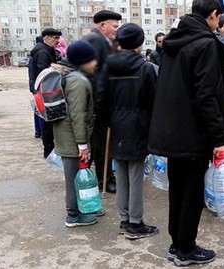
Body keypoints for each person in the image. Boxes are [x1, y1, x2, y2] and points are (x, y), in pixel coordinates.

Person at [148, 0, 224, 266]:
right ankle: (186, 249)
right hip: (194, 133)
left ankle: (177, 244)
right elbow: (207, 95)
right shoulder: (206, 44)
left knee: (178, 190)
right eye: (218, 17)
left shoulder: (175, 42)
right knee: (192, 193)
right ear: (213, 14)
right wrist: (220, 139)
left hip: (173, 131)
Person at [98, 23, 159, 240]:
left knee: (121, 174)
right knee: (135, 176)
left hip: (115, 127)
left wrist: (107, 122)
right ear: (140, 44)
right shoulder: (145, 68)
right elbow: (154, 102)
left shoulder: (107, 66)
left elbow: (101, 99)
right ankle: (135, 223)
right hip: (138, 126)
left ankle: (125, 219)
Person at [52, 40, 99, 227]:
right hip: (72, 138)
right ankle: (73, 214)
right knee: (73, 177)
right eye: (91, 59)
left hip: (65, 135)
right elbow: (78, 115)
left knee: (74, 174)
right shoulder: (77, 81)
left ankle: (81, 208)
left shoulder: (68, 75)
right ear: (81, 61)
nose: (95, 63)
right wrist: (82, 144)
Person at [82, 10, 122, 194]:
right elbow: (94, 75)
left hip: (102, 101)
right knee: (100, 143)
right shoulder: (94, 40)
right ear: (102, 25)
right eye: (114, 26)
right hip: (98, 104)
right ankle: (103, 180)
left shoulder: (104, 41)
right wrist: (99, 104)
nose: (117, 29)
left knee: (102, 142)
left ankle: (103, 177)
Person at [30, 28, 62, 158]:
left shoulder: (44, 50)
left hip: (44, 90)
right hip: (46, 91)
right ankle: (48, 151)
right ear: (46, 38)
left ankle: (49, 149)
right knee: (48, 121)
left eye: (58, 38)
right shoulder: (43, 52)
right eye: (55, 38)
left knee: (47, 120)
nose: (57, 41)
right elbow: (44, 72)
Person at [28, 35, 44, 139]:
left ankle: (38, 131)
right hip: (38, 85)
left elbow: (30, 72)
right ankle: (41, 130)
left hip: (34, 84)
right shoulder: (41, 53)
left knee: (37, 108)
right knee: (41, 108)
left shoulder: (33, 54)